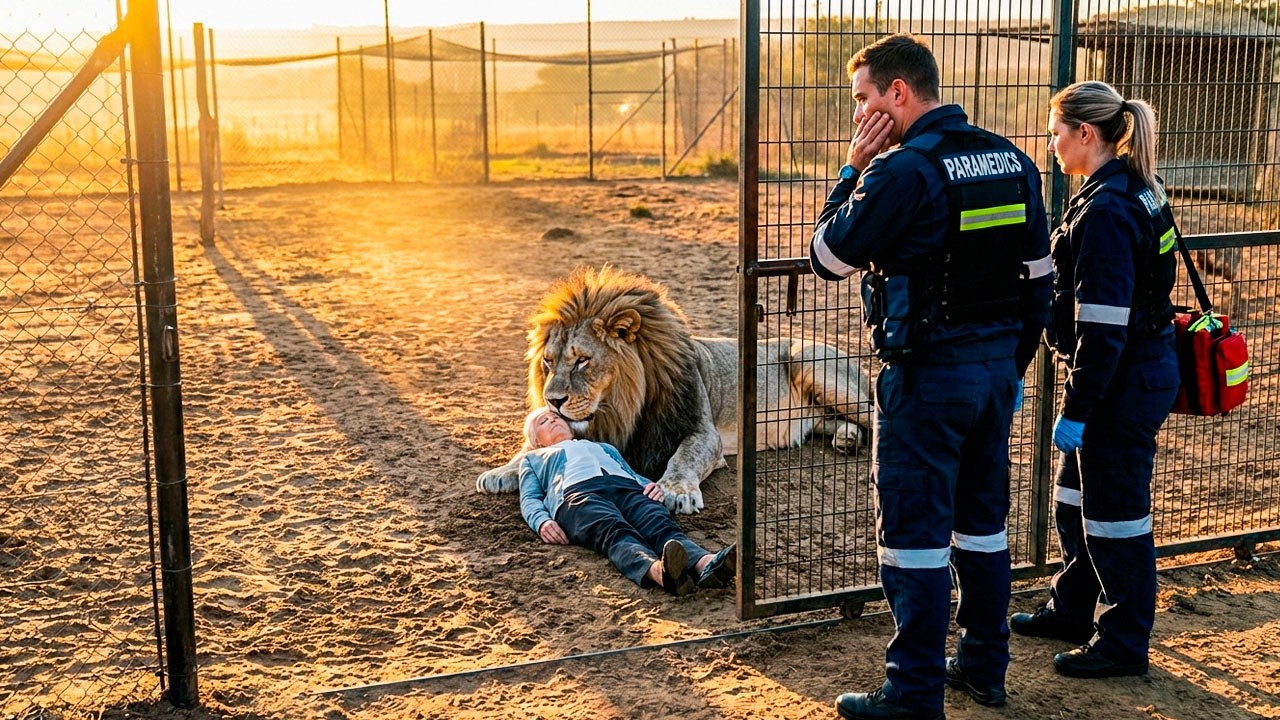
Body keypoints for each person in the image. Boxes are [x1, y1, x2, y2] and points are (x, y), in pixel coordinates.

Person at [809, 33, 1052, 720]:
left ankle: (913, 694)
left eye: (862, 99)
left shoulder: (901, 171)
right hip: (995, 375)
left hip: (925, 380)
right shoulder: (1013, 160)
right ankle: (984, 667)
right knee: (982, 528)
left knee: (913, 538)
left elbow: (827, 256)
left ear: (898, 94)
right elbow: (1040, 282)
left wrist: (853, 168)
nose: (858, 114)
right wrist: (1008, 363)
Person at [1008, 80, 1179, 679]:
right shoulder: (1132, 188)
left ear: (1085, 133)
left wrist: (1078, 408)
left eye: (1056, 131)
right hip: (1134, 370)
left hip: (1119, 383)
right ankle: (1073, 607)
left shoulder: (1107, 208)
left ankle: (1123, 643)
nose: (1050, 143)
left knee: (1116, 517)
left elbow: (1105, 328)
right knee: (1076, 500)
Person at [518, 406, 736, 596]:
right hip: (577, 495)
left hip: (626, 487)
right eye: (544, 421)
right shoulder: (533, 459)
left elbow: (630, 473)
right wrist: (542, 522)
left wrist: (649, 485)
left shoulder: (604, 447)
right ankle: (660, 572)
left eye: (556, 417)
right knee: (615, 531)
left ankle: (706, 564)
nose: (553, 419)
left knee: (658, 522)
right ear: (536, 441)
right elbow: (530, 498)